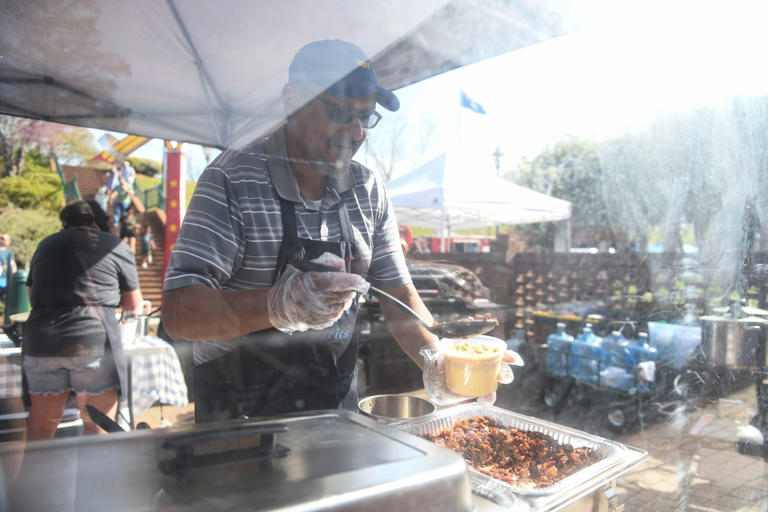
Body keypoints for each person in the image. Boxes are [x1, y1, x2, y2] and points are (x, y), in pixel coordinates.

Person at [163, 40, 520, 422]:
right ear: (292, 102)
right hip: (238, 418)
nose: (355, 131)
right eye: (339, 111)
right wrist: (277, 306)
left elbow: (398, 294)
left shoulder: (368, 191)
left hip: (335, 413)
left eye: (365, 118)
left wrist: (436, 358)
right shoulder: (232, 179)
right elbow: (179, 312)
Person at [22, 201, 143, 440]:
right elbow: (133, 303)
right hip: (92, 340)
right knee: (96, 428)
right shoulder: (114, 245)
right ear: (98, 221)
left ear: (64, 223)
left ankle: (34, 479)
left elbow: (31, 295)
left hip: (43, 340)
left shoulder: (46, 244)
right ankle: (93, 478)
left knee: (41, 430)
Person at [0, 233, 17, 303]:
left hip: (7, 279)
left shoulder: (10, 252)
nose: (9, 241)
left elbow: (13, 265)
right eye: (6, 239)